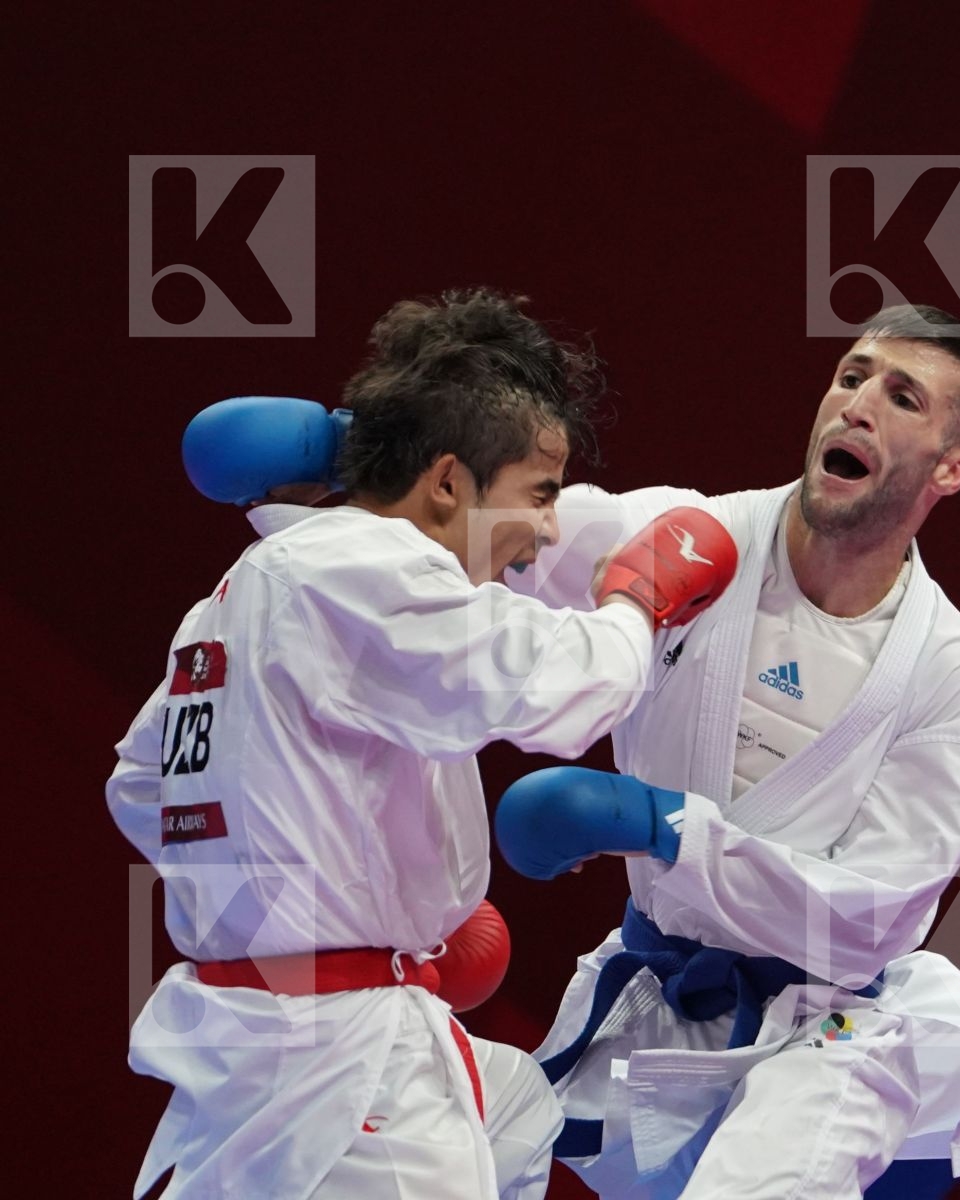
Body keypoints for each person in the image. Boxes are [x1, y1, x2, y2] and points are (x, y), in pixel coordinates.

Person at [106, 289, 733, 1199]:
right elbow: (563, 687)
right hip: (343, 1068)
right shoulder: (360, 568)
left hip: (269, 1030)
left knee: (515, 1107)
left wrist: (313, 888)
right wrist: (640, 597)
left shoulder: (240, 593)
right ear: (446, 482)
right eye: (540, 494)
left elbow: (141, 784)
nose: (548, 529)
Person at [494, 304, 960, 1198]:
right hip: (659, 994)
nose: (858, 404)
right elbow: (505, 529)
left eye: (903, 397)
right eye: (852, 375)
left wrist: (664, 827)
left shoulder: (952, 667)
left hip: (832, 1028)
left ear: (952, 467)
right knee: (456, 1152)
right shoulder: (691, 539)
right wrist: (359, 458)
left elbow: (874, 917)